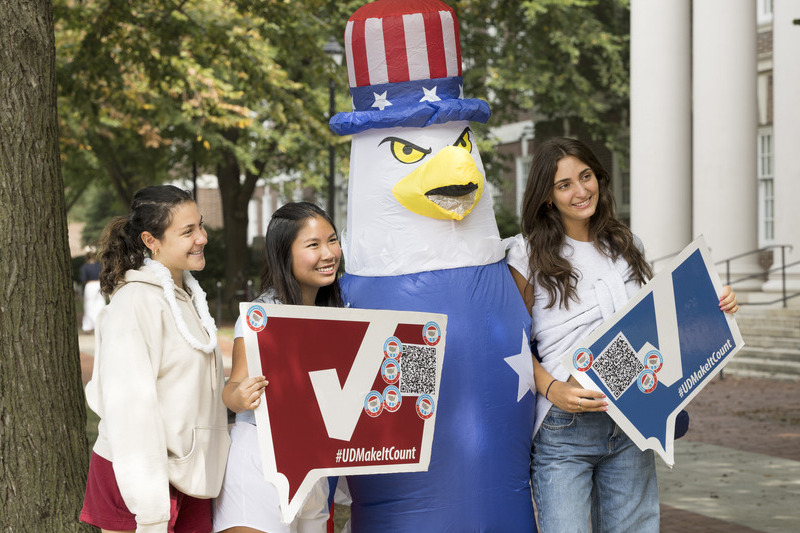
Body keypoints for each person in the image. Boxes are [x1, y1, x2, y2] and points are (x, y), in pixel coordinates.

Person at [506, 137, 739, 532]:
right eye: (565, 185)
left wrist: (717, 306)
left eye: (586, 176)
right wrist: (551, 389)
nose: (581, 191)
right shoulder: (526, 256)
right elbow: (510, 340)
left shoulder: (625, 244)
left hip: (631, 421)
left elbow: (652, 324)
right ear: (547, 196)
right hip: (565, 428)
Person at [81, 185, 230, 533]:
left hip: (187, 479)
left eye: (201, 225)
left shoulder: (187, 299)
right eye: (188, 231)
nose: (202, 238)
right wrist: (150, 513)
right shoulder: (134, 304)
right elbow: (131, 412)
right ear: (151, 240)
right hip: (137, 483)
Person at [212, 202, 342, 533]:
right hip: (262, 460)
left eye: (332, 240)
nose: (328, 253)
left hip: (313, 466)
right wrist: (240, 396)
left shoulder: (339, 314)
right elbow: (232, 390)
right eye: (313, 245)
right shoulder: (261, 316)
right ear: (284, 254)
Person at [80, 246, 106, 333]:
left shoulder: (85, 266)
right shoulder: (99, 265)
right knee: (100, 304)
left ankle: (88, 327)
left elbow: (84, 279)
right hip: (99, 285)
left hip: (90, 285)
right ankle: (100, 325)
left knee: (89, 305)